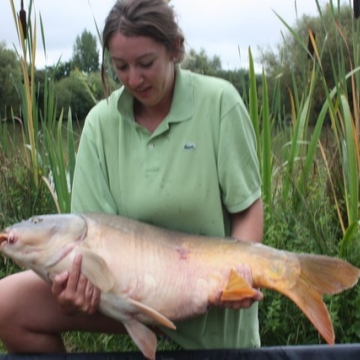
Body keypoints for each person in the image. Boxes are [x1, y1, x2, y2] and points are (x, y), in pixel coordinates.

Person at [0, 0, 263, 353]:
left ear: (174, 49)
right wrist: (70, 293)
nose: (133, 79)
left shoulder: (219, 103)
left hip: (205, 294)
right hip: (124, 296)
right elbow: (88, 237)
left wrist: (240, 270)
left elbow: (247, 209)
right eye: (120, 66)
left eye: (146, 64)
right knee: (5, 305)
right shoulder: (99, 123)